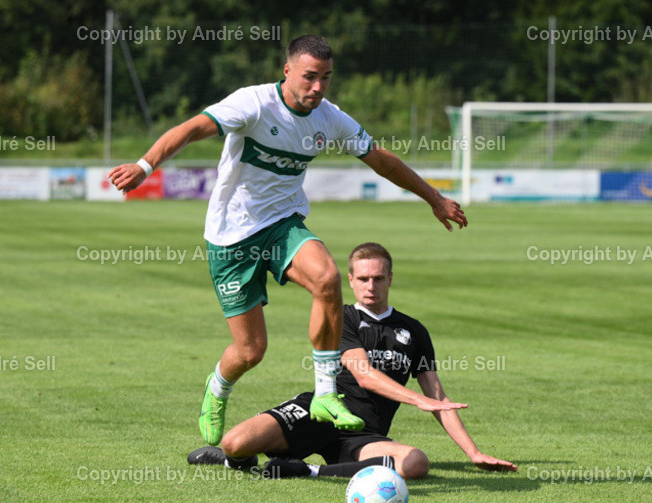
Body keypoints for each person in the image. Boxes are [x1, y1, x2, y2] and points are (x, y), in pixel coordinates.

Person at [108, 35, 468, 447]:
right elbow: (191, 129)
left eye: (326, 79)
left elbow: (382, 160)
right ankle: (218, 387)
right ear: (288, 71)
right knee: (250, 351)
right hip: (232, 236)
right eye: (310, 77)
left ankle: (327, 394)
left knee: (328, 277)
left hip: (282, 225)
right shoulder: (253, 103)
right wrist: (144, 164)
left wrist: (434, 198)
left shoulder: (329, 118)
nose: (317, 87)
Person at [188, 242, 517, 479]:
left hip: (365, 434)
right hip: (320, 410)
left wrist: (473, 453)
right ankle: (233, 462)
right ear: (350, 280)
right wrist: (417, 400)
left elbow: (438, 398)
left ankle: (309, 470)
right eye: (363, 279)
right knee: (235, 442)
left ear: (391, 279)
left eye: (378, 278)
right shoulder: (342, 316)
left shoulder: (414, 331)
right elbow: (363, 374)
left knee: (416, 463)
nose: (370, 286)